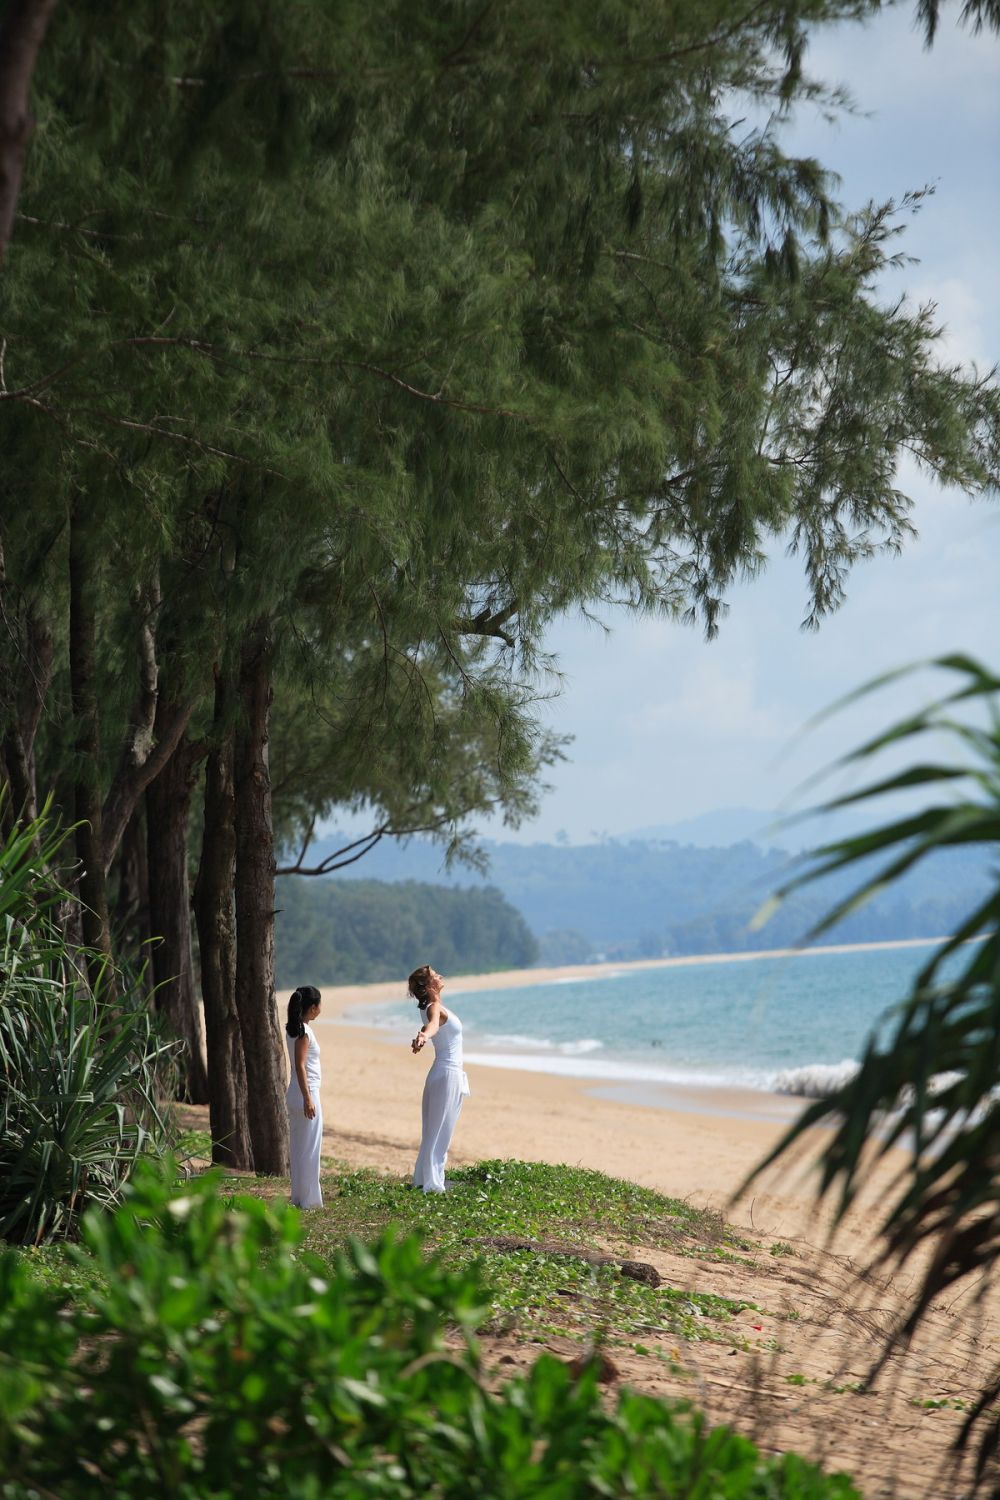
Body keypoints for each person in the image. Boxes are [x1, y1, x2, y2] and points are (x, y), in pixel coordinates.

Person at [409, 964, 470, 1193]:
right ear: (428, 986)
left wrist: (423, 1035)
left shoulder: (432, 1007)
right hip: (447, 1074)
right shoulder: (434, 1007)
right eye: (436, 975)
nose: (440, 975)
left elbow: (432, 1023)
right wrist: (424, 1034)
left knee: (434, 1132)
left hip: (442, 1074)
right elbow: (433, 1024)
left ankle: (426, 1180)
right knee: (440, 1134)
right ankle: (433, 1185)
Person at [285, 985, 324, 1209]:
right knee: (309, 1148)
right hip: (305, 1094)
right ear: (311, 1008)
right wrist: (308, 1098)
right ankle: (310, 1200)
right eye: (319, 1005)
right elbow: (300, 1066)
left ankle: (300, 1197)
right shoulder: (304, 1032)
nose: (320, 1009)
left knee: (299, 1146)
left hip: (295, 1093)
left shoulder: (293, 1029)